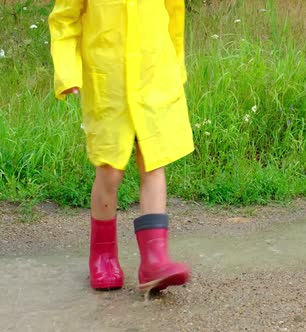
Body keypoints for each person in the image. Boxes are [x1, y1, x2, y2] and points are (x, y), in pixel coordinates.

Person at [48, 0, 194, 292]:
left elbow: (174, 13)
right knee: (110, 169)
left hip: (153, 75)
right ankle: (102, 254)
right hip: (108, 81)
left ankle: (154, 261)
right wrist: (67, 71)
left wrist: (176, 64)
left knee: (153, 160)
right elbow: (64, 19)